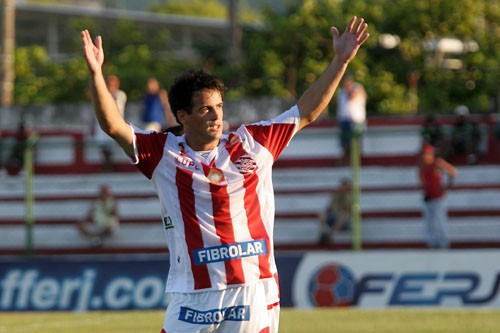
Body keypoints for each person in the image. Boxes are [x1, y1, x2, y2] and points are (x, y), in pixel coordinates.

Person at [81, 15, 368, 333]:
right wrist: (96, 74)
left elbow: (306, 111)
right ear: (182, 116)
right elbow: (113, 125)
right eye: (205, 109)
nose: (217, 115)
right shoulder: (164, 152)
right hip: (191, 295)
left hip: (250, 289)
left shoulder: (254, 142)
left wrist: (340, 61)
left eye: (219, 106)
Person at [418, 144, 457, 249]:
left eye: (427, 154)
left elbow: (453, 171)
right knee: (429, 222)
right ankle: (432, 243)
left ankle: (444, 242)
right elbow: (422, 180)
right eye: (423, 154)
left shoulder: (437, 163)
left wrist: (446, 186)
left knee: (440, 221)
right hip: (428, 197)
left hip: (439, 197)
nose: (425, 156)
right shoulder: (422, 166)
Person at [93, 75, 127, 172]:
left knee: (111, 146)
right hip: (102, 123)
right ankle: (106, 166)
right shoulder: (104, 94)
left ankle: (109, 166)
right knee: (102, 146)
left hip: (115, 122)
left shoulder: (120, 94)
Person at [336, 74, 367, 165]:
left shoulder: (357, 88)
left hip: (356, 120)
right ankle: (346, 161)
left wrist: (348, 89)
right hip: (344, 119)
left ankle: (356, 162)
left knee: (356, 142)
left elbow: (351, 96)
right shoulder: (341, 91)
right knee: (345, 143)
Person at [318, 179, 352, 245]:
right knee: (322, 213)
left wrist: (342, 200)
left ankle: (330, 235)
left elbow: (349, 210)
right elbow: (329, 209)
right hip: (334, 217)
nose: (342, 188)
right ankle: (322, 233)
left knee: (343, 214)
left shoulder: (351, 197)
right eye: (342, 186)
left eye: (344, 187)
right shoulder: (335, 196)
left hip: (345, 222)